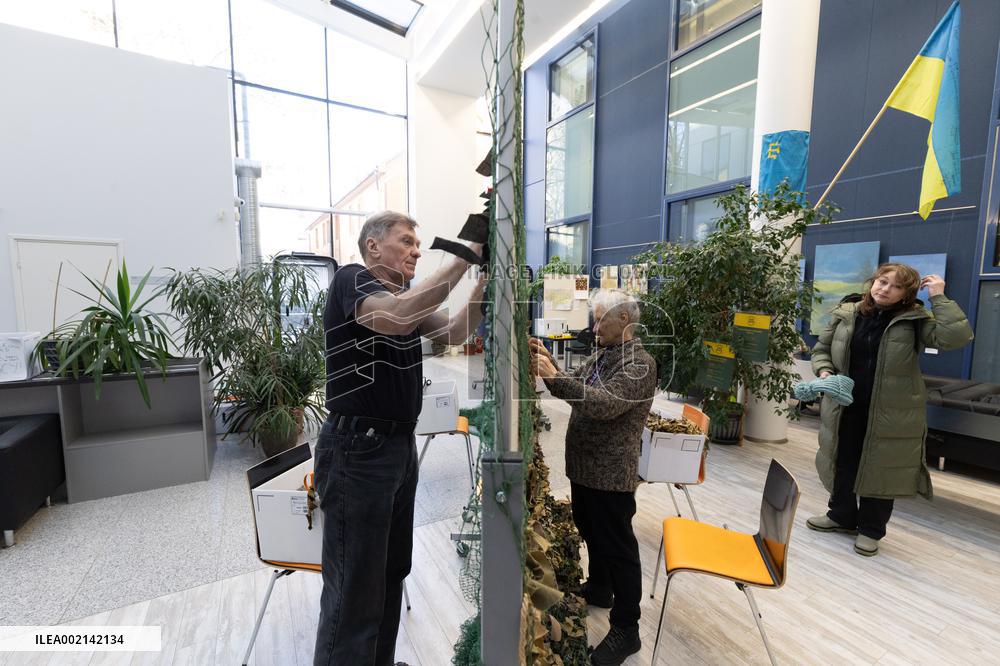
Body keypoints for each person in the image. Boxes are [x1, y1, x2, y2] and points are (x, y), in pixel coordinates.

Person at [313, 211, 485, 665]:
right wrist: (465, 256)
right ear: (373, 247)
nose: (416, 250)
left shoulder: (406, 297)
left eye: (417, 243)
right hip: (358, 451)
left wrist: (484, 282)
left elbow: (454, 331)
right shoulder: (353, 280)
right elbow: (397, 320)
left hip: (395, 450)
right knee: (354, 591)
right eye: (406, 241)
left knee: (390, 576)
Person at [807, 263, 973, 556]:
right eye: (883, 282)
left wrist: (939, 297)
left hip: (891, 410)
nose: (885, 289)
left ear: (906, 294)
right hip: (845, 405)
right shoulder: (847, 313)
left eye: (896, 286)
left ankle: (871, 530)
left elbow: (955, 338)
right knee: (842, 460)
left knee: (881, 468)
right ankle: (840, 515)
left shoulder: (915, 320)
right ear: (873, 281)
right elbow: (822, 349)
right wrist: (824, 373)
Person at [530, 289, 657, 666]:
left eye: (601, 319)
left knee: (617, 546)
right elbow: (575, 384)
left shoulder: (639, 364)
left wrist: (555, 375)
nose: (595, 326)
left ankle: (626, 629)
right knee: (590, 528)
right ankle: (601, 589)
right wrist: (547, 360)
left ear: (625, 322)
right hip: (586, 468)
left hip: (610, 474)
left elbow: (601, 404)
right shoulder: (604, 354)